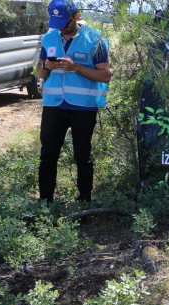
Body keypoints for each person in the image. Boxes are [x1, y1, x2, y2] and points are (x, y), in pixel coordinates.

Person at [37, 0, 111, 203]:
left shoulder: (94, 38)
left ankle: (84, 203)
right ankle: (45, 203)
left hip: (83, 107)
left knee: (82, 157)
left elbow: (105, 75)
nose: (60, 27)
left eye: (64, 22)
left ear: (76, 16)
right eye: (56, 22)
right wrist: (46, 68)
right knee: (48, 156)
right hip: (53, 105)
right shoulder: (49, 37)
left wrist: (75, 67)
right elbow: (41, 69)